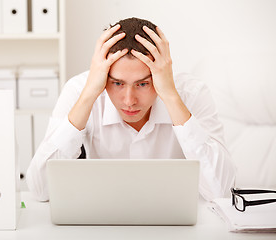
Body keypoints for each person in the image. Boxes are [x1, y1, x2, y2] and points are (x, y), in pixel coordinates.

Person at [26, 17, 236, 202]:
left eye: (143, 84)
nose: (129, 100)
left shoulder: (192, 93)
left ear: (160, 74)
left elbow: (222, 191)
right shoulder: (80, 90)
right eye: (117, 83)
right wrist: (89, 94)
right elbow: (39, 189)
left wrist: (171, 96)